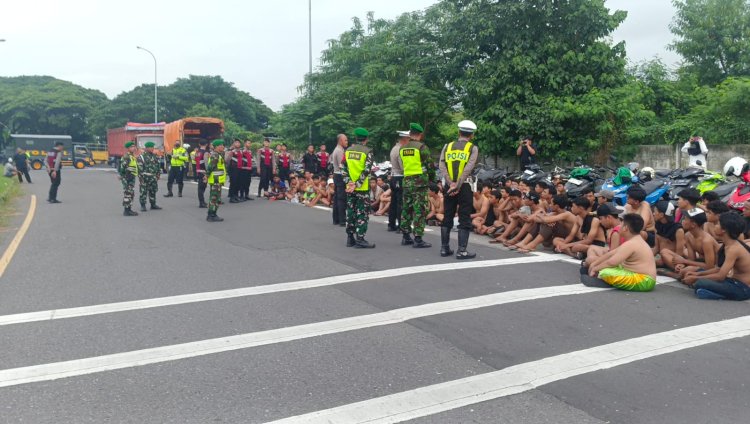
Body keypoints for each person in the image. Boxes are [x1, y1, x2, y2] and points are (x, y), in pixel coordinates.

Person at [683, 212, 750, 300]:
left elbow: (720, 276)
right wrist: (697, 273)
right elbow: (718, 268)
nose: (715, 226)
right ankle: (712, 292)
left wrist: (695, 278)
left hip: (742, 289)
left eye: (718, 224)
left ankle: (718, 294)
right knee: (696, 276)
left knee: (700, 283)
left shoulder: (733, 249)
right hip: (732, 281)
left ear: (724, 230)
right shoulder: (727, 244)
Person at [582, 213, 657, 292]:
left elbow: (612, 262)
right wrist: (594, 264)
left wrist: (595, 269)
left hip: (644, 281)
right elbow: (611, 253)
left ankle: (604, 279)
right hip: (635, 274)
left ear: (625, 228)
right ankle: (606, 279)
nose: (619, 227)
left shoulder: (631, 243)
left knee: (605, 272)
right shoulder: (633, 240)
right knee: (603, 267)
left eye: (621, 225)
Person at [399, 123, 433, 249]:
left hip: (407, 181)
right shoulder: (422, 147)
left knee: (406, 208)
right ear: (420, 134)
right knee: (420, 210)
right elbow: (429, 165)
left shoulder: (402, 148)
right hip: (420, 183)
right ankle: (418, 238)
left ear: (410, 134)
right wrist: (433, 179)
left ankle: (406, 236)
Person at [342, 128, 375, 248]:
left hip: (350, 188)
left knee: (351, 212)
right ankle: (360, 239)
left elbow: (342, 167)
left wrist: (349, 182)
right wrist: (357, 183)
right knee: (362, 213)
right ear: (366, 139)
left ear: (356, 138)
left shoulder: (348, 151)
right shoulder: (368, 151)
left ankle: (350, 238)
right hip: (362, 188)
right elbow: (367, 170)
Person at [388, 131, 410, 232]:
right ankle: (401, 225)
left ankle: (391, 224)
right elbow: (402, 166)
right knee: (400, 202)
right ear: (404, 139)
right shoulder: (401, 149)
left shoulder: (394, 148)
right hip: (400, 177)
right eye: (408, 139)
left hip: (393, 177)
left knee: (393, 202)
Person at [205, 140, 227, 222]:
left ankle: (212, 214)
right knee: (214, 198)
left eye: (223, 145)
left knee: (216, 198)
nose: (223, 147)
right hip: (215, 180)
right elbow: (210, 167)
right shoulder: (215, 155)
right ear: (216, 147)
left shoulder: (218, 155)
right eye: (221, 145)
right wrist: (206, 176)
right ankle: (211, 215)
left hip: (217, 180)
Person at [138, 141, 162, 212]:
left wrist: (158, 174)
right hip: (145, 177)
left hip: (153, 177)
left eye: (153, 147)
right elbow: (139, 168)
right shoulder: (142, 157)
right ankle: (143, 205)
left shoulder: (155, 156)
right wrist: (140, 177)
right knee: (143, 191)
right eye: (151, 147)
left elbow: (158, 166)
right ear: (147, 148)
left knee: (153, 191)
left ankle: (153, 204)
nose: (153, 149)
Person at [118, 141, 140, 216]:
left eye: (134, 146)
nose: (134, 148)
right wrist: (123, 176)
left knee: (130, 194)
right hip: (128, 178)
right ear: (128, 148)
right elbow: (122, 168)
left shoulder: (132, 156)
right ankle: (127, 211)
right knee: (128, 193)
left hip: (131, 177)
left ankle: (129, 209)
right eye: (132, 147)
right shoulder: (126, 157)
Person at [331, 134, 348, 226]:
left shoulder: (337, 149)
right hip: (340, 175)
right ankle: (342, 220)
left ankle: (336, 219)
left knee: (337, 197)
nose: (346, 142)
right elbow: (342, 166)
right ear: (340, 141)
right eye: (345, 140)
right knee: (341, 198)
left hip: (336, 174)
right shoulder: (339, 151)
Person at [194, 140, 209, 208]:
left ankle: (202, 202)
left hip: (198, 171)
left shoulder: (197, 152)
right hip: (203, 171)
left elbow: (195, 160)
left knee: (200, 187)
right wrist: (208, 171)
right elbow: (206, 163)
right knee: (202, 188)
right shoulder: (205, 152)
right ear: (206, 144)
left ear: (199, 144)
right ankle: (202, 203)